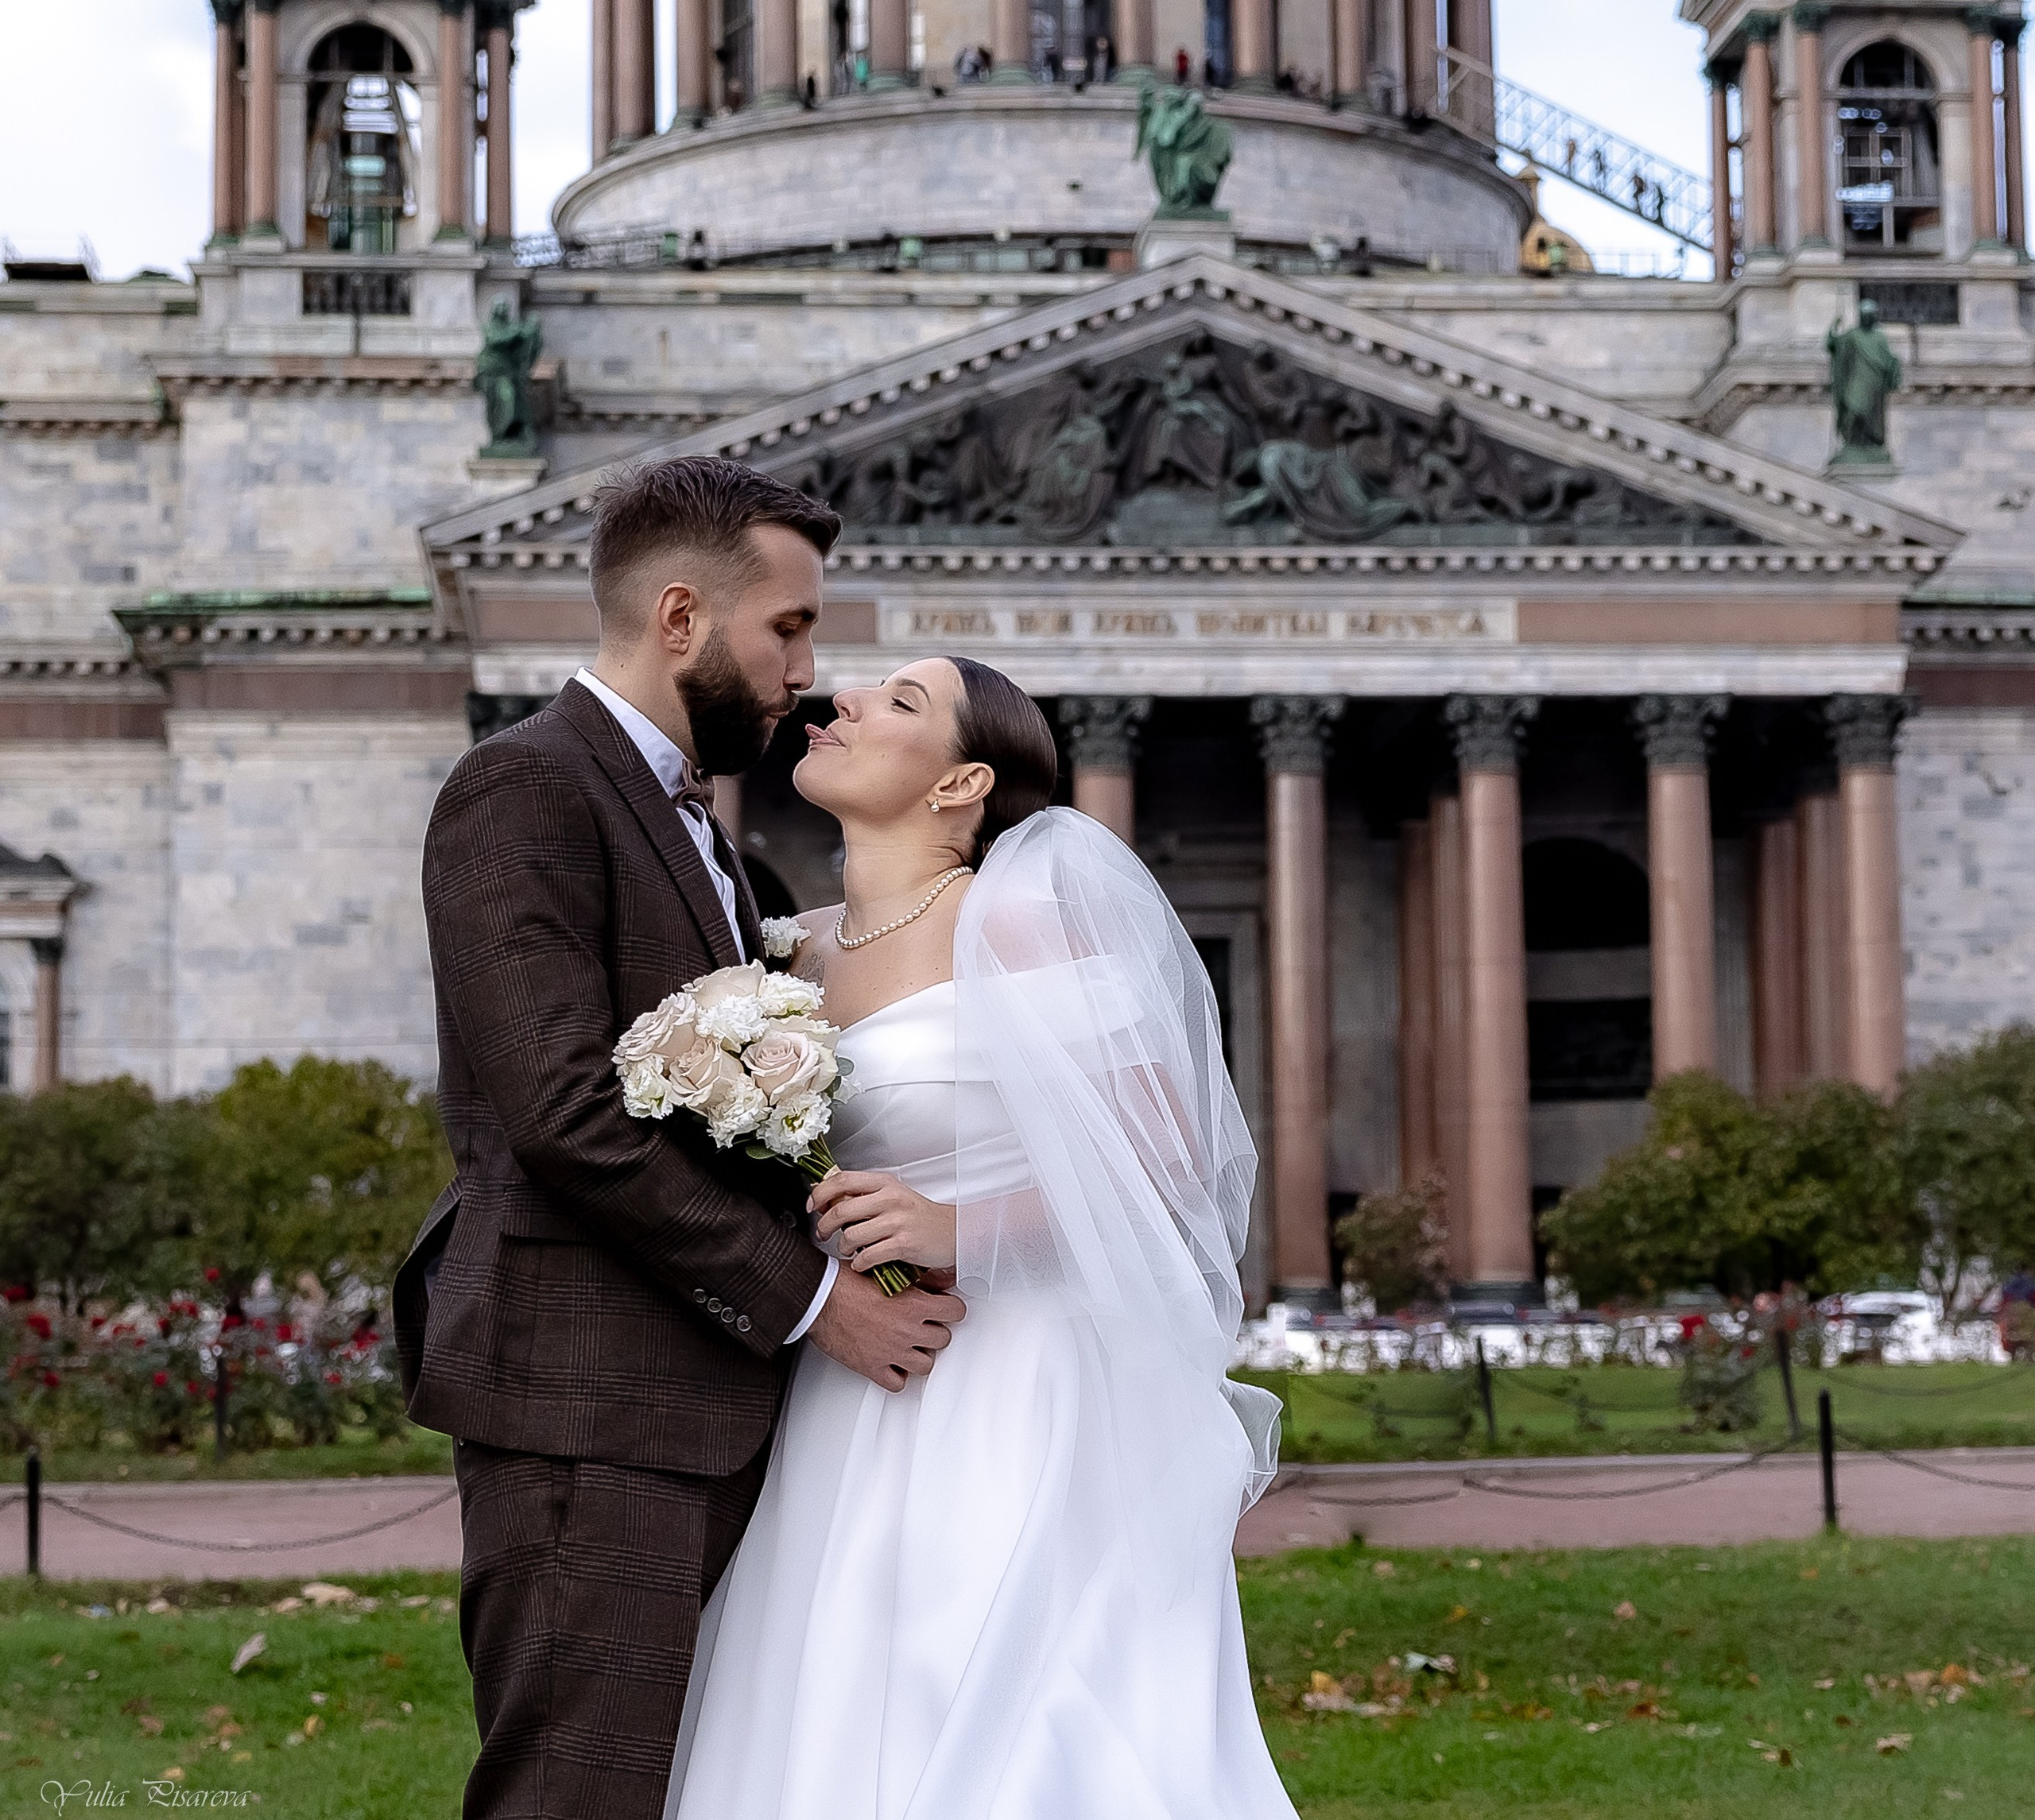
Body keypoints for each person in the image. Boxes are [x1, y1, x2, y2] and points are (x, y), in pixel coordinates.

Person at [395, 457, 967, 1820]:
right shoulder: (522, 788)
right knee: (576, 1796)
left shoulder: (710, 840)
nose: (808, 672)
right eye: (788, 629)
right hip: (590, 1408)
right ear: (677, 618)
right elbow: (563, 1114)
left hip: (695, 1413)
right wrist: (820, 1299)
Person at [665, 656, 1294, 1818]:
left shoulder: (1020, 920)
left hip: (1011, 1382)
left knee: (999, 1694)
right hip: (848, 1378)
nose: (840, 702)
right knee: (836, 1682)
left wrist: (961, 1222)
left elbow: (1168, 1166)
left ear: (962, 781)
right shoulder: (782, 953)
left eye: (897, 701)